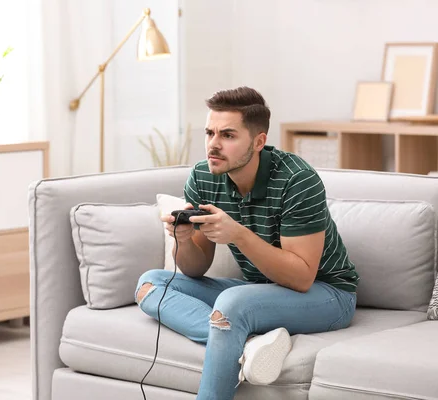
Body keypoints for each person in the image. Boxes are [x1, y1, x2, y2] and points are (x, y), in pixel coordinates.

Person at [134, 87, 359, 400]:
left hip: (328, 294)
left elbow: (301, 278)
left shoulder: (297, 179)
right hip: (260, 291)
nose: (214, 144)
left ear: (258, 142)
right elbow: (195, 269)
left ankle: (235, 338)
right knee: (150, 285)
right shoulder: (203, 176)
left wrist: (238, 234)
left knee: (234, 304)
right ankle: (250, 346)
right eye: (210, 132)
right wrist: (183, 242)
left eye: (227, 135)